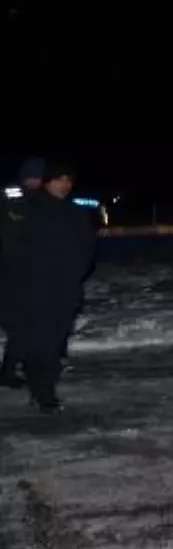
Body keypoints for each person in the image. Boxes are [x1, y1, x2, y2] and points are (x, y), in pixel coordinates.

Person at [2, 162, 94, 413]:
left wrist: (72, 276)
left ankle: (41, 387)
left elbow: (86, 251)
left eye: (68, 180)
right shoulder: (25, 209)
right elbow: (11, 250)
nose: (65, 185)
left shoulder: (74, 212)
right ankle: (43, 393)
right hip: (31, 291)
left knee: (54, 344)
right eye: (59, 179)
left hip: (65, 292)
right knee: (38, 344)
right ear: (47, 181)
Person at [1, 157, 48, 389]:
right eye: (32, 176)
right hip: (11, 275)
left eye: (39, 177)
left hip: (29, 274)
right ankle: (9, 371)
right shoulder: (12, 197)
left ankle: (18, 369)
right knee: (21, 327)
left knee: (28, 327)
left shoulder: (41, 200)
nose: (35, 181)